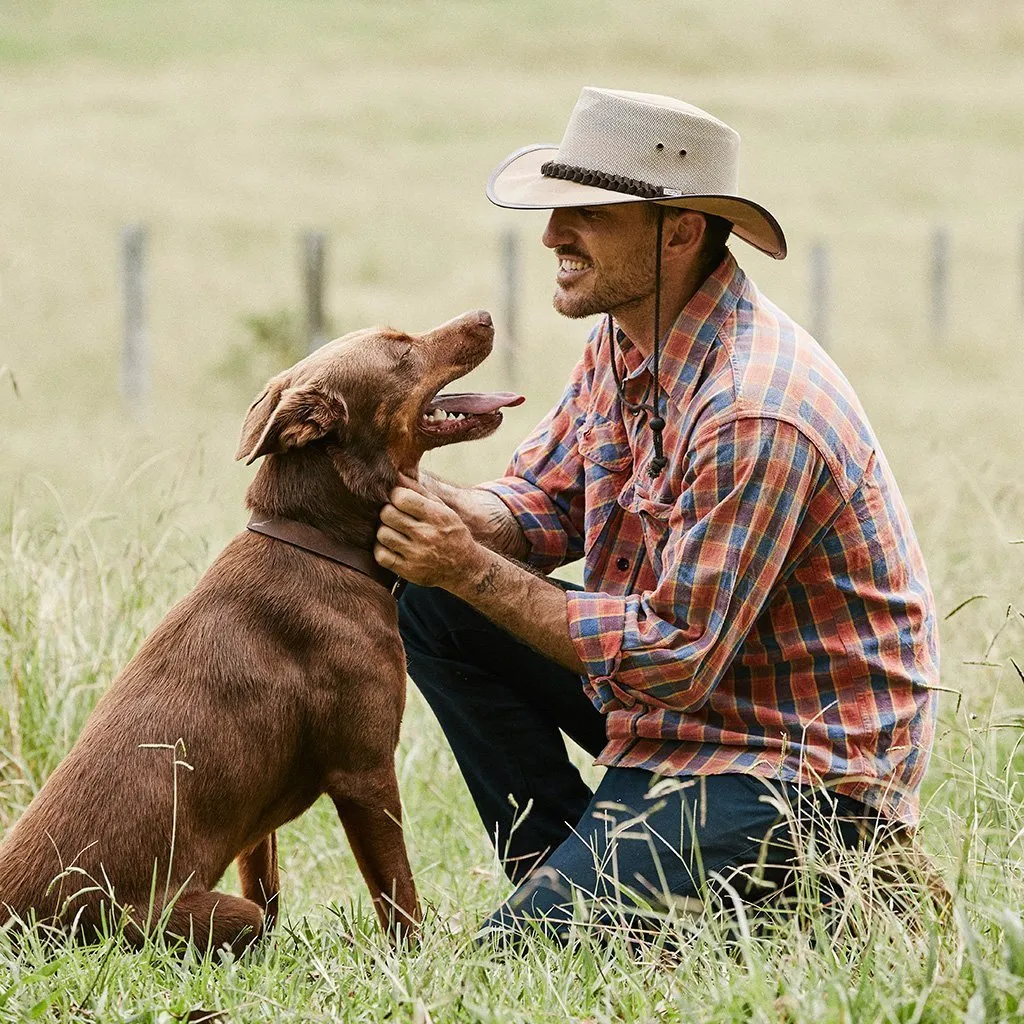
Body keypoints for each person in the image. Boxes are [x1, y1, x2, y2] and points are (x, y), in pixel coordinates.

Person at [373, 87, 939, 942]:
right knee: (433, 603)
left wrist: (463, 561)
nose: (554, 235)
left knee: (513, 962)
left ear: (678, 231)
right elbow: (534, 508)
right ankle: (567, 884)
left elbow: (677, 655)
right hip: (684, 728)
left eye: (589, 212)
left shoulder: (756, 408)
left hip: (795, 770)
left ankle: (818, 888)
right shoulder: (627, 342)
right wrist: (385, 489)